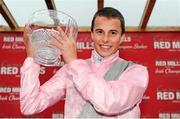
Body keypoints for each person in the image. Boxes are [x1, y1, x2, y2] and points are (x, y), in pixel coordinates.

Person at [20, 7, 149, 118]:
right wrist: (32, 58)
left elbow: (109, 103)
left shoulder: (136, 72)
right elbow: (30, 106)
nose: (105, 39)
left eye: (113, 33)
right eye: (100, 32)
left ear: (122, 37)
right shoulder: (71, 69)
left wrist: (73, 62)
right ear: (92, 34)